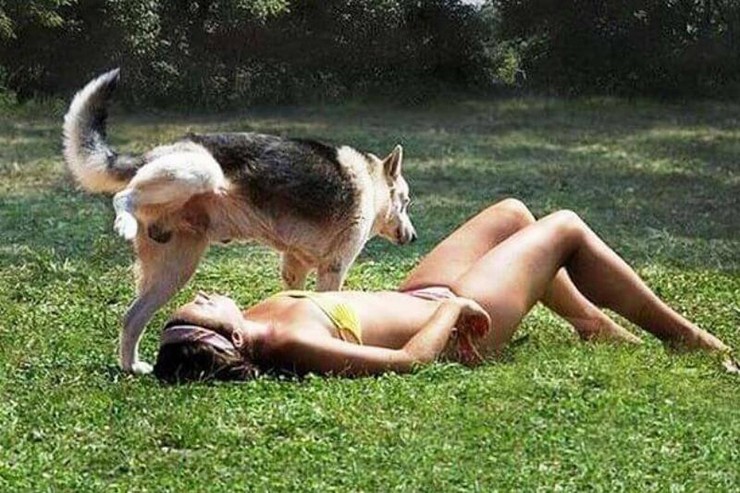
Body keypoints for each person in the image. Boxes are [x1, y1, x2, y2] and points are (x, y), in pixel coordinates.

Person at [153, 199, 734, 382]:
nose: (200, 297)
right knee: (564, 228)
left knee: (512, 215)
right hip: (457, 325)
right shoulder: (287, 341)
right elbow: (407, 361)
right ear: (229, 337)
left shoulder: (257, 318)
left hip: (420, 295)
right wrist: (453, 308)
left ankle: (592, 325)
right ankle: (686, 337)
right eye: (199, 309)